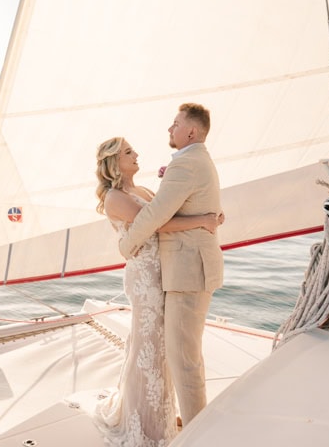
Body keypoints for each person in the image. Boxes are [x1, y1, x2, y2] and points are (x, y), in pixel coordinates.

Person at [95, 135, 222, 447]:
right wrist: (202, 220)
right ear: (114, 162)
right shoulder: (115, 197)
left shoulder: (143, 190)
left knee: (163, 347)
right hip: (145, 278)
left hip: (164, 272)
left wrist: (180, 190)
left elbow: (169, 211)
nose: (136, 154)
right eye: (128, 152)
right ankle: (146, 426)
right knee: (148, 347)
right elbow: (157, 224)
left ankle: (164, 417)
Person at [118, 103, 224, 427]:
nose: (169, 129)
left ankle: (196, 433)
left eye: (175, 123)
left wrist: (127, 244)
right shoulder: (195, 161)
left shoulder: (187, 165)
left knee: (183, 360)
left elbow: (155, 216)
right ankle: (196, 421)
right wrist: (204, 218)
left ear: (191, 131)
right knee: (187, 356)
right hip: (191, 269)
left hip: (188, 272)